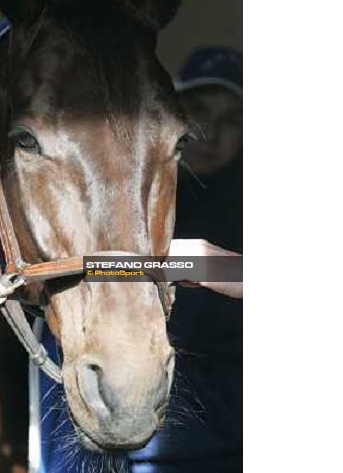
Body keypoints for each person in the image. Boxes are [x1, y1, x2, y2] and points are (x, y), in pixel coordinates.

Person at [130, 47, 243, 473]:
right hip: (138, 440)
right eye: (197, 110)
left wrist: (225, 268)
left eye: (232, 119)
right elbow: (102, 266)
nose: (211, 131)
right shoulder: (134, 192)